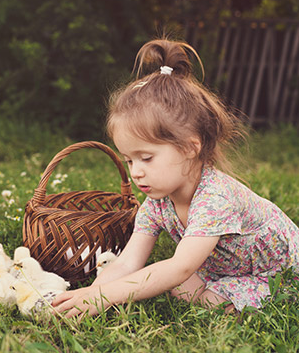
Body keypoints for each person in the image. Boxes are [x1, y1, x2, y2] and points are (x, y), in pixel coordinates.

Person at [51, 38, 299, 318]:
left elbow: (180, 266)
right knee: (179, 288)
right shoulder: (157, 202)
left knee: (185, 285)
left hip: (276, 272)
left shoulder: (215, 197)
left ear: (190, 147)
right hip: (227, 267)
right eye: (129, 160)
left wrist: (107, 296)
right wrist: (92, 294)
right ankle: (227, 290)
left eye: (146, 158)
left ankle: (254, 298)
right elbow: (128, 263)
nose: (136, 171)